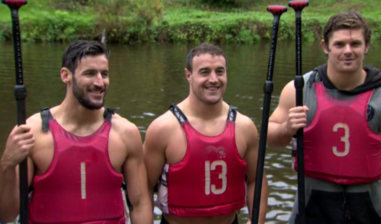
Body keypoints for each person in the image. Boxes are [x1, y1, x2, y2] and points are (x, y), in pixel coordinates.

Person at [267, 11, 381, 224]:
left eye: (355, 44)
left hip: (369, 212)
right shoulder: (299, 90)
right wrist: (286, 128)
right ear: (325, 47)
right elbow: (269, 138)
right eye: (339, 44)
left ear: (366, 47)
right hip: (311, 211)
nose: (348, 51)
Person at [0, 40, 152, 224]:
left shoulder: (126, 133)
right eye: (89, 74)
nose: (99, 82)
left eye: (104, 74)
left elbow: (140, 204)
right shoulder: (32, 133)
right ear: (66, 75)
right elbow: (5, 214)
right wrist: (7, 164)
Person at [143, 43, 268, 224]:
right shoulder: (163, 129)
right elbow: (143, 189)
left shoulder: (245, 126)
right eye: (204, 72)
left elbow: (256, 180)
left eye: (219, 71)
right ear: (188, 75)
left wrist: (256, 221)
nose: (213, 79)